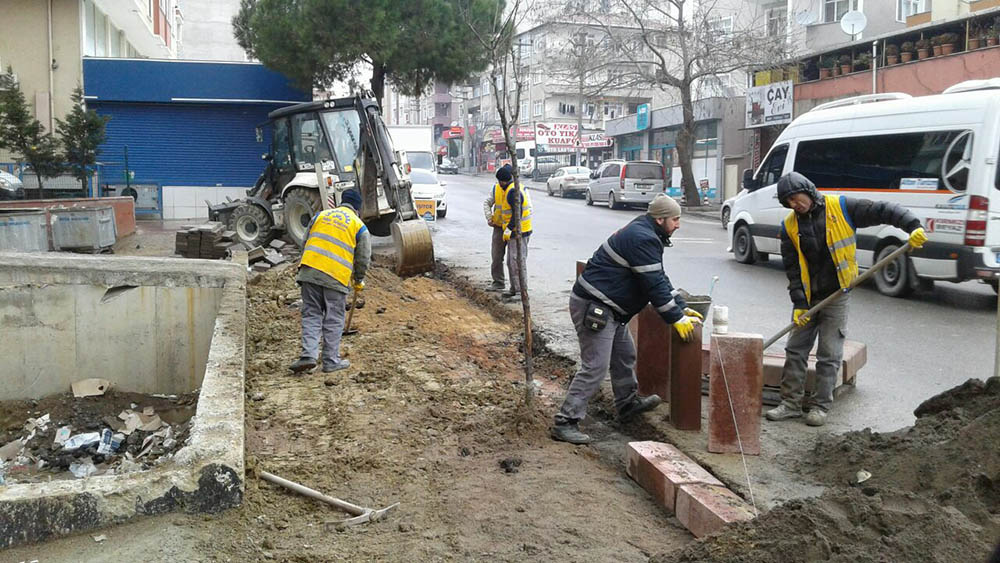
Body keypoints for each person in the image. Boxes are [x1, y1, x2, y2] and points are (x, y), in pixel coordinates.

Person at [766, 172, 927, 426]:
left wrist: (913, 226)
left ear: (807, 190)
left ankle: (820, 406)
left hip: (838, 293)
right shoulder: (789, 226)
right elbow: (793, 269)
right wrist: (798, 303)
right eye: (788, 203)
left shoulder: (842, 207)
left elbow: (884, 210)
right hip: (809, 298)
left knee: (829, 352)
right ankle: (790, 404)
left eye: (795, 199)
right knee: (795, 349)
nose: (794, 205)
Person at [551, 194, 704, 444]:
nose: (678, 225)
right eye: (675, 219)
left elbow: (659, 277)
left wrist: (681, 308)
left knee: (624, 355)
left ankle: (626, 404)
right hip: (596, 306)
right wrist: (674, 318)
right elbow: (654, 285)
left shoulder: (647, 233)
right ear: (660, 218)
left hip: (609, 307)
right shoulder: (643, 238)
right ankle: (566, 421)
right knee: (595, 366)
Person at [289, 189, 371, 374]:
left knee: (312, 314)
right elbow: (363, 257)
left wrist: (305, 265)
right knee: (333, 319)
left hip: (309, 271)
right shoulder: (359, 226)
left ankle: (308, 355)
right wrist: (358, 280)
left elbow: (305, 242)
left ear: (342, 202)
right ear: (357, 209)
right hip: (335, 277)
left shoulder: (320, 215)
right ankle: (330, 361)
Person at [499, 165, 533, 299]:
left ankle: (521, 292)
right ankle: (514, 288)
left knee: (517, 261)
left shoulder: (513, 191)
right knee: (511, 262)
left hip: (519, 232)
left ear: (504, 180)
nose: (499, 183)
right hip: (517, 231)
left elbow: (517, 213)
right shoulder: (511, 188)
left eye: (500, 181)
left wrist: (509, 228)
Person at [482, 165, 511, 291]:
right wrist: (489, 217)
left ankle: (517, 286)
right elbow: (487, 203)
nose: (501, 183)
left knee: (514, 260)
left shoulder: (516, 190)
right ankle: (498, 282)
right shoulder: (496, 189)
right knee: (496, 256)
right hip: (499, 227)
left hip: (513, 229)